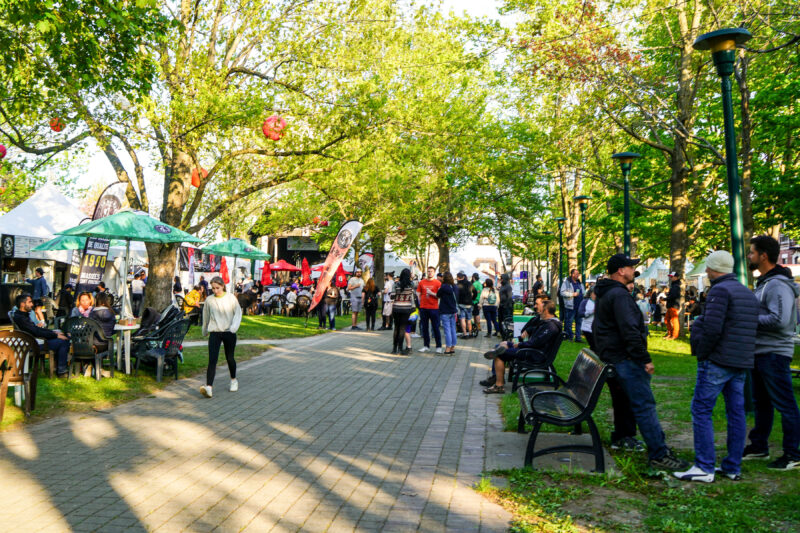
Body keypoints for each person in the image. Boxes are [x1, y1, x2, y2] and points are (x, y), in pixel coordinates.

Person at [593, 254, 689, 470]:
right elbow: (629, 331)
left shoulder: (607, 292)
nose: (633, 271)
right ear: (620, 270)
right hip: (625, 358)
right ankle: (658, 453)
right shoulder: (618, 295)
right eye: (630, 267)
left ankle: (635, 440)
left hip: (615, 357)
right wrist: (644, 359)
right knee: (645, 406)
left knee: (635, 403)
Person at [673, 251, 759, 483]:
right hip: (740, 361)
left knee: (701, 410)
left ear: (712, 269)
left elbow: (712, 328)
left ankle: (704, 466)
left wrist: (702, 352)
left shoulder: (719, 291)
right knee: (736, 413)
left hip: (718, 359)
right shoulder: (746, 292)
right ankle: (732, 465)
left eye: (708, 268)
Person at [742, 235, 800, 470]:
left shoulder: (776, 285)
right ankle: (759, 446)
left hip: (774, 353)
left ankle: (793, 454)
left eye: (752, 252)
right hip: (761, 351)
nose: (749, 256)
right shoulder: (766, 283)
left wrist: (748, 318)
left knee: (785, 404)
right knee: (762, 403)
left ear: (763, 256)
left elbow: (780, 319)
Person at [482, 298, 561, 393]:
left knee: (499, 355)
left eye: (541, 308)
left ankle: (499, 385)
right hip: (531, 350)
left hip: (534, 354)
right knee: (503, 344)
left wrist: (520, 344)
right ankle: (497, 377)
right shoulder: (548, 323)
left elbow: (535, 343)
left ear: (547, 311)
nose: (538, 310)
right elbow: (533, 336)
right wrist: (520, 342)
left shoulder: (551, 326)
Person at [200, 276, 242, 398]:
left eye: (217, 288)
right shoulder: (209, 300)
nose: (215, 290)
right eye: (213, 288)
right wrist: (204, 330)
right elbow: (205, 316)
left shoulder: (231, 298)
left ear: (223, 286)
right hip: (215, 332)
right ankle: (209, 387)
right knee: (212, 360)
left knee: (230, 358)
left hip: (229, 331)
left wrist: (233, 328)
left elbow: (238, 314)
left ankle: (233, 380)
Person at [13, 293, 70, 378]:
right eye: (30, 302)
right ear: (22, 304)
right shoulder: (21, 318)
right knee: (63, 341)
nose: (32, 304)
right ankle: (61, 371)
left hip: (34, 341)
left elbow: (36, 329)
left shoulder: (22, 315)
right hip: (33, 345)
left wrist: (54, 333)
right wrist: (55, 335)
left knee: (64, 337)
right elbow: (36, 331)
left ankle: (57, 366)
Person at [416, 266, 443, 354]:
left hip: (434, 308)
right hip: (424, 308)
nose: (430, 273)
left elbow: (440, 295)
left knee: (435, 327)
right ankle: (426, 346)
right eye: (428, 271)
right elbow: (418, 293)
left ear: (434, 272)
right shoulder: (422, 282)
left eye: (431, 271)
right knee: (424, 328)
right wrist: (420, 303)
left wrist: (431, 293)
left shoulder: (438, 283)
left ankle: (438, 347)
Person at [391, 268, 415, 355]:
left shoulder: (396, 284)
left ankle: (394, 348)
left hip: (396, 308)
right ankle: (400, 348)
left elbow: (392, 296)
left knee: (396, 328)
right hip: (406, 309)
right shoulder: (411, 284)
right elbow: (413, 295)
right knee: (402, 329)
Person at [560, 268, 584, 342]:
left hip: (579, 307)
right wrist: (572, 294)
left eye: (578, 274)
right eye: (577, 274)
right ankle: (569, 337)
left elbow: (583, 292)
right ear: (572, 274)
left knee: (579, 323)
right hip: (570, 307)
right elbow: (562, 292)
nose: (578, 275)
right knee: (569, 323)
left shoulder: (580, 283)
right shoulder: (566, 283)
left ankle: (578, 338)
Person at [437, 272, 459, 355]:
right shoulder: (455, 287)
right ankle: (453, 347)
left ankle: (448, 348)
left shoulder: (443, 287)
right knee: (453, 329)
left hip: (445, 310)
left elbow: (438, 295)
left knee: (447, 330)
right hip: (453, 310)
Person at [455, 272, 475, 338]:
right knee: (469, 319)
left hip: (461, 304)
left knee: (462, 319)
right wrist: (472, 298)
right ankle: (470, 333)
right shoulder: (470, 283)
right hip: (469, 303)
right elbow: (475, 292)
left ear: (458, 277)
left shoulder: (457, 285)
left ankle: (465, 334)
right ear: (463, 277)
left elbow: (456, 295)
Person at [665, 272, 681, 339]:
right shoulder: (674, 285)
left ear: (676, 277)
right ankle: (670, 334)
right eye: (670, 277)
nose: (671, 278)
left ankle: (674, 335)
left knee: (674, 320)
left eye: (672, 277)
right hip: (671, 305)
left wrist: (666, 298)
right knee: (666, 320)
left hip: (673, 305)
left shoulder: (676, 286)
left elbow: (673, 296)